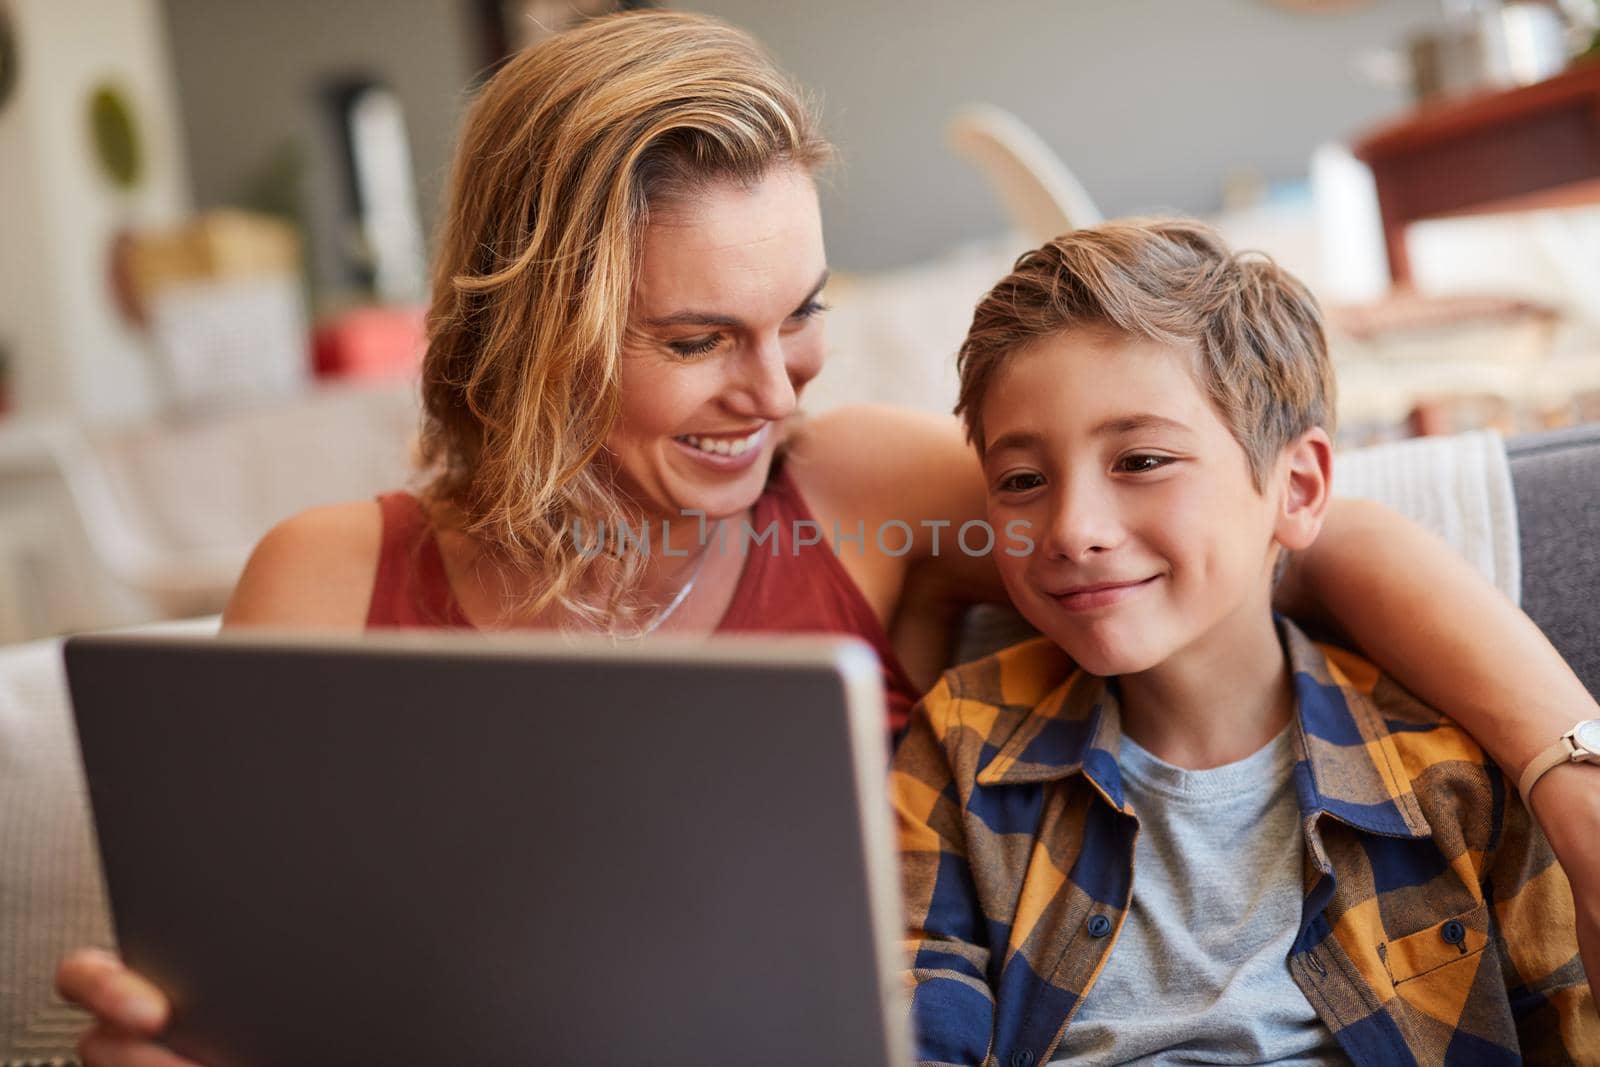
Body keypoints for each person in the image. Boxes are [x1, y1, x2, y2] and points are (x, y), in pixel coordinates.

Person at [57, 12, 1600, 1067]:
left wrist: (1571, 778)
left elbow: (1283, 541)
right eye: (697, 338)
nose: (776, 383)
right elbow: (236, 996)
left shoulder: (858, 492)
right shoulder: (328, 578)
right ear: (530, 330)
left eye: (801, 316)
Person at [894, 220, 1598, 1065]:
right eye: (1021, 481)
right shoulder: (961, 743)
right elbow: (911, 1016)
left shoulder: (1454, 782)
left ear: (1296, 488)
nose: (1073, 528)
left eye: (1142, 460)